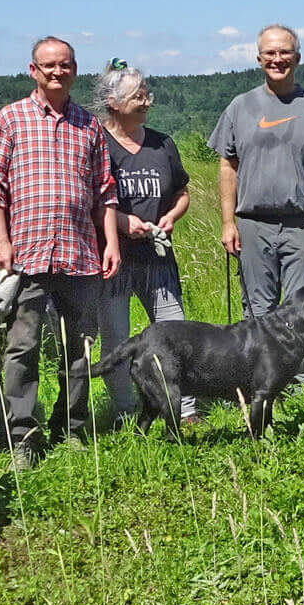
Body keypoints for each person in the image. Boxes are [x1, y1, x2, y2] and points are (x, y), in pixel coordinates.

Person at [0, 36, 121, 470]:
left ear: (74, 70)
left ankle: (72, 427)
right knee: (23, 347)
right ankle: (23, 435)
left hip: (80, 254)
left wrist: (111, 243)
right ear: (33, 70)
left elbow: (104, 190)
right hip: (28, 254)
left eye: (65, 65)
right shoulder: (10, 119)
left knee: (79, 347)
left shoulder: (89, 125)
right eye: (49, 65)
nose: (57, 72)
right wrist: (2, 242)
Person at [209, 24, 304, 387]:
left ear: (297, 58)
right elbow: (227, 166)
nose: (277, 59)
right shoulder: (240, 107)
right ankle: (257, 388)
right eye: (270, 53)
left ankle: (302, 390)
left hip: (303, 224)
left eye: (284, 52)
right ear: (258, 58)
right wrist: (228, 222)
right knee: (257, 313)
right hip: (252, 224)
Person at [94, 65, 199, 427]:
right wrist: (122, 223)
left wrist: (171, 216)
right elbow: (90, 199)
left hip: (158, 259)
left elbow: (182, 193)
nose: (146, 102)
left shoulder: (161, 143)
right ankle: (126, 412)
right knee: (117, 339)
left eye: (147, 94)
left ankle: (185, 411)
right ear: (113, 102)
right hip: (114, 261)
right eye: (138, 96)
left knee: (176, 334)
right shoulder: (96, 142)